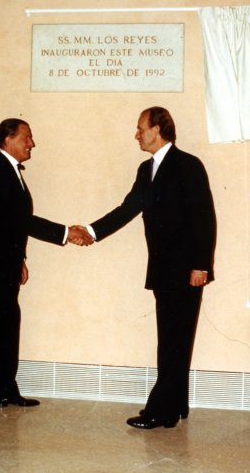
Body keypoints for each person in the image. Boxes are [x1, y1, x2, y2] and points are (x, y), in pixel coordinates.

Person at [81, 106, 216, 430]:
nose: (137, 134)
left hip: (186, 271)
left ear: (158, 128)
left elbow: (204, 217)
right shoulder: (146, 169)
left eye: (141, 127)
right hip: (162, 270)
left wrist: (201, 265)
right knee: (171, 338)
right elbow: (128, 208)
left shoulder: (188, 165)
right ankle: (177, 404)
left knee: (175, 340)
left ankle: (162, 410)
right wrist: (92, 231)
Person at [0, 118, 93, 418]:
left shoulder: (7, 170)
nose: (31, 143)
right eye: (27, 137)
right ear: (7, 139)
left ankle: (5, 391)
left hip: (3, 264)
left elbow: (7, 224)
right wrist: (66, 232)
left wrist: (19, 259)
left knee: (6, 327)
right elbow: (18, 221)